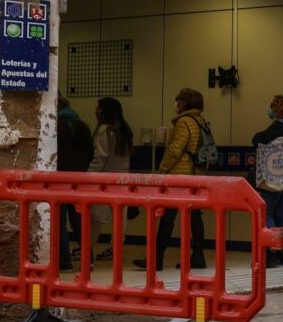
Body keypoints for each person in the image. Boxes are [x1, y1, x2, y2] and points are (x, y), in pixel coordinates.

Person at [134, 88, 208, 271]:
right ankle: (198, 256)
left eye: (178, 100)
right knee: (195, 217)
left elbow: (175, 150)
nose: (176, 104)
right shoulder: (201, 121)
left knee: (167, 217)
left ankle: (156, 259)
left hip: (180, 177)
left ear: (184, 103)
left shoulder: (184, 122)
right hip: (195, 175)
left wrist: (162, 170)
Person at [252, 95, 283, 267]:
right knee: (280, 216)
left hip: (270, 178)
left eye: (273, 106)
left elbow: (257, 139)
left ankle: (271, 255)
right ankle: (281, 254)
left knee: (267, 215)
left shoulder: (279, 125)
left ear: (280, 109)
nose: (270, 109)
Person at [88, 97, 133, 259]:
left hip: (104, 181)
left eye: (98, 108)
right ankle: (116, 249)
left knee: (94, 217)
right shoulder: (124, 130)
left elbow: (100, 158)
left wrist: (88, 176)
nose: (95, 111)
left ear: (104, 111)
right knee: (120, 217)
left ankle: (88, 248)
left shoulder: (104, 131)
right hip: (123, 180)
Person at [56, 94, 93, 271]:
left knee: (59, 222)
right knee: (80, 221)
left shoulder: (56, 127)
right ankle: (88, 259)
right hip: (80, 180)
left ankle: (64, 262)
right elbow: (90, 154)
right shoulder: (83, 127)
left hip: (59, 180)